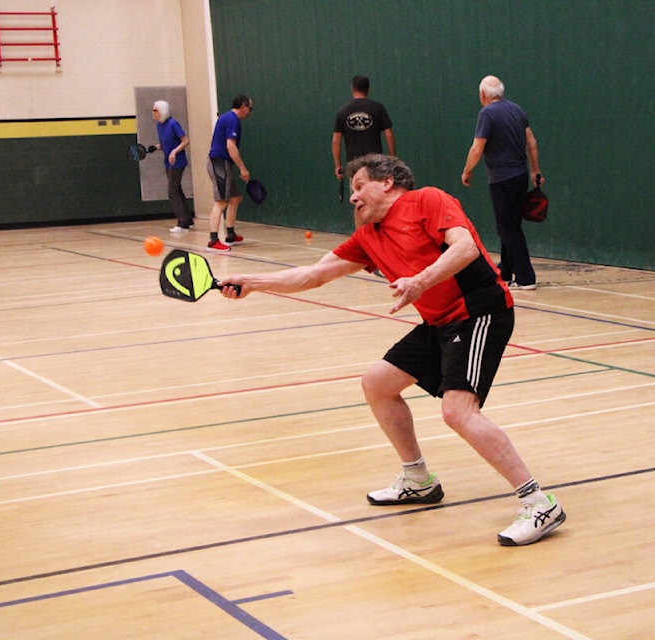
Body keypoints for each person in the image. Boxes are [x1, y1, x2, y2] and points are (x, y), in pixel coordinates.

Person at [219, 154, 566, 546]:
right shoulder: (369, 236)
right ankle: (418, 480)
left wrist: (419, 281)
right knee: (378, 384)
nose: (353, 198)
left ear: (387, 183)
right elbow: (312, 275)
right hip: (439, 322)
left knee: (457, 411)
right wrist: (252, 281)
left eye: (359, 186)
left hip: (479, 310)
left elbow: (466, 247)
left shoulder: (427, 201)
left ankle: (538, 502)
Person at [461, 75, 542, 290]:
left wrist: (467, 171)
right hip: (520, 177)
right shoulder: (517, 110)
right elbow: (531, 142)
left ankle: (526, 278)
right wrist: (535, 170)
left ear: (482, 95)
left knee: (509, 228)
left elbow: (477, 147)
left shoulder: (487, 113)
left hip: (502, 179)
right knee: (508, 226)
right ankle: (506, 270)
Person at [332, 75, 395, 226]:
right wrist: (392, 159)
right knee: (381, 198)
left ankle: (361, 237)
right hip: (376, 165)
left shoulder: (342, 111)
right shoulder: (378, 108)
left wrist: (338, 165)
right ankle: (380, 234)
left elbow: (336, 140)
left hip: (354, 165)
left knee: (359, 202)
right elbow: (389, 134)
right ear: (368, 89)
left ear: (352, 88)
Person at [206, 94, 253, 253]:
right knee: (221, 202)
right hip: (219, 163)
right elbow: (230, 146)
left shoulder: (227, 117)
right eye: (250, 108)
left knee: (235, 198)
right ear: (243, 106)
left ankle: (230, 234)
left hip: (222, 163)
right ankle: (213, 240)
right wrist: (242, 168)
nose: (250, 112)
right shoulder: (233, 119)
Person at [152, 100, 193, 234]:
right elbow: (166, 144)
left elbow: (185, 140)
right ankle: (188, 219)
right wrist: (156, 147)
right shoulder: (159, 126)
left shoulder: (173, 124)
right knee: (177, 190)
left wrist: (175, 152)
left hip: (177, 162)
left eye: (156, 110)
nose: (154, 113)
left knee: (172, 191)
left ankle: (182, 223)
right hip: (167, 162)